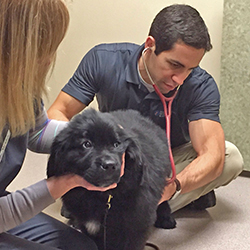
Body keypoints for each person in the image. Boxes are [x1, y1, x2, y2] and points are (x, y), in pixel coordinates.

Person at [47, 4, 244, 215]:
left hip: (164, 163)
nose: (180, 79)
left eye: (190, 69)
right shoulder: (103, 60)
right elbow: (57, 114)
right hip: (113, 157)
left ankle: (121, 207)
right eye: (174, 64)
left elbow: (212, 154)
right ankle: (142, 206)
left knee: (230, 156)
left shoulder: (201, 85)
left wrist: (176, 185)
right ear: (150, 45)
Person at [0, 0, 117, 249]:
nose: (51, 57)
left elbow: (37, 132)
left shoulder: (19, 85)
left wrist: (96, 138)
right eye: (49, 47)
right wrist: (60, 184)